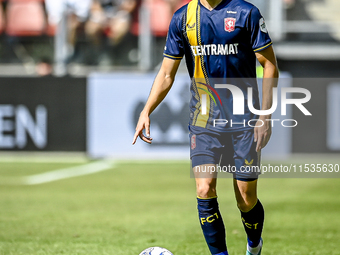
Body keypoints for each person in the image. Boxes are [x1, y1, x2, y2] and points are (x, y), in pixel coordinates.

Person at [132, 0, 279, 254]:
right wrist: (147, 110)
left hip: (244, 119)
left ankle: (254, 245)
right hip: (204, 120)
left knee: (245, 198)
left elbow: (269, 65)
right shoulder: (182, 18)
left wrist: (265, 116)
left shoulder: (247, 13)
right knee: (204, 188)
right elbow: (167, 73)